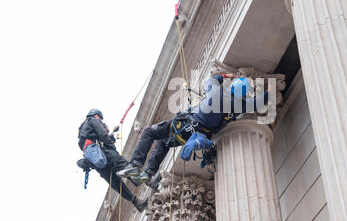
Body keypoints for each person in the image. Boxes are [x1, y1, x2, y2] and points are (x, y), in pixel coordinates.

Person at [117, 73, 269, 184]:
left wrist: (225, 75)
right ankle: (149, 172)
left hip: (184, 127)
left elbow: (211, 79)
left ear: (233, 87)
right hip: (193, 134)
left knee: (149, 132)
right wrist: (270, 91)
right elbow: (258, 103)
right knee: (163, 142)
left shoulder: (216, 91)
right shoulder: (239, 105)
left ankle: (135, 166)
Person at [77, 109, 149, 212]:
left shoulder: (82, 134)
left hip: (96, 162)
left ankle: (136, 202)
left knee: (115, 182)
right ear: (97, 116)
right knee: (125, 166)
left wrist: (109, 139)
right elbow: (102, 135)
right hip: (105, 154)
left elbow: (93, 141)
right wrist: (111, 146)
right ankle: (148, 181)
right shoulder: (93, 120)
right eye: (101, 119)